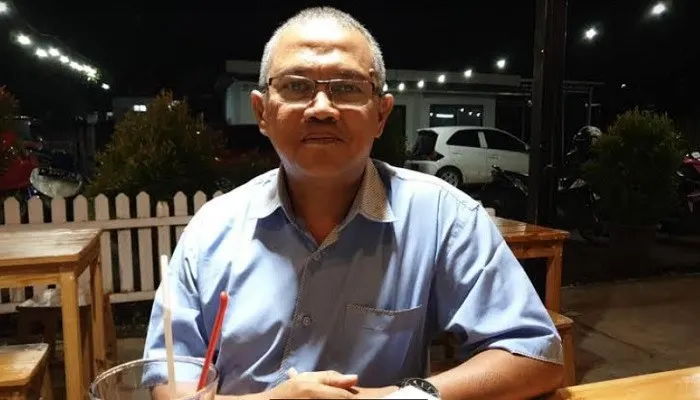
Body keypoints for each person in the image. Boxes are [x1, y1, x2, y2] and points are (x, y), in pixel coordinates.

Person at [144, 6, 564, 400]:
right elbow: (168, 379)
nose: (322, 108)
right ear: (262, 112)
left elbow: (535, 355)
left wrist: (400, 397)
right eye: (296, 86)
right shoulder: (212, 230)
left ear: (382, 114)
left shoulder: (442, 217)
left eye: (346, 87)